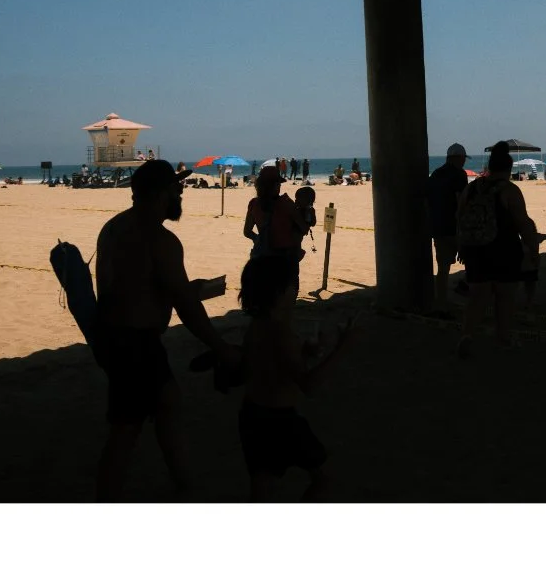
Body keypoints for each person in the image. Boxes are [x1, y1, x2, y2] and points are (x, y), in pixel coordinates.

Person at [93, 159, 237, 502]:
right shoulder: (161, 239)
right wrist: (221, 347)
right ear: (161, 194)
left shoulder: (114, 227)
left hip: (113, 338)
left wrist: (187, 290)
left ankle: (184, 484)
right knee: (126, 431)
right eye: (176, 188)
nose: (181, 193)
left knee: (168, 404)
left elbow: (136, 286)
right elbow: (185, 307)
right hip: (136, 343)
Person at [237, 256, 358, 501]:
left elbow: (273, 366)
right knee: (324, 479)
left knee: (262, 486)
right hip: (281, 420)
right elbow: (309, 385)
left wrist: (303, 353)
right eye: (292, 285)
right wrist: (343, 347)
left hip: (252, 415)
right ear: (278, 292)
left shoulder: (258, 326)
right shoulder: (281, 333)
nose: (295, 290)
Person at [455, 142, 538, 356]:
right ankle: (503, 338)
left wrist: (462, 246)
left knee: (477, 297)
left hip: (475, 250)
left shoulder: (471, 188)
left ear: (489, 167)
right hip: (504, 250)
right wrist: (532, 248)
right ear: (509, 169)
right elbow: (523, 224)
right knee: (505, 297)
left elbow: (460, 218)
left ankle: (467, 335)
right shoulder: (510, 190)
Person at [243, 166, 309, 284]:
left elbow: (247, 232)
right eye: (278, 184)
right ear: (274, 186)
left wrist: (259, 239)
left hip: (262, 257)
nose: (280, 186)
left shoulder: (254, 204)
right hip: (285, 258)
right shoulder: (286, 203)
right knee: (286, 290)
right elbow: (304, 229)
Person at [427, 142, 470, 313]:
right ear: (458, 158)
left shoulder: (436, 174)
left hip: (438, 227)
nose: (464, 162)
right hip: (455, 227)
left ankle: (441, 303)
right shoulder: (459, 174)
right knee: (472, 261)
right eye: (463, 159)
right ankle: (467, 292)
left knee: (443, 269)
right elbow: (462, 202)